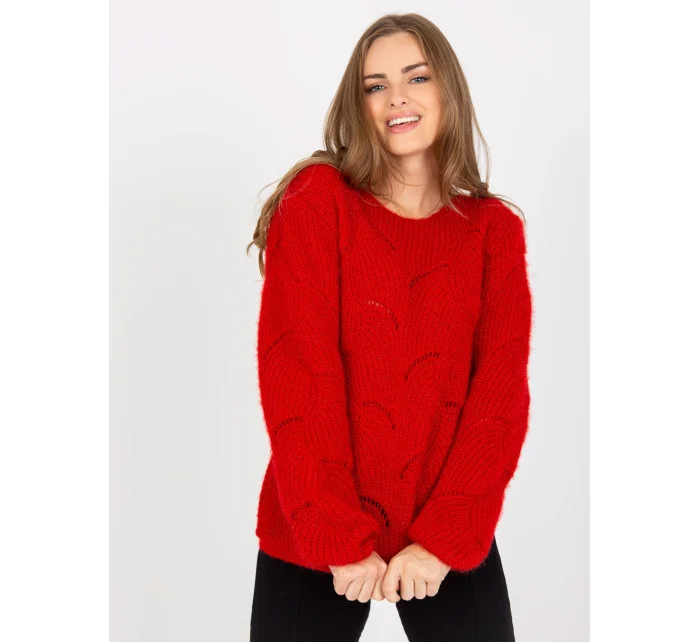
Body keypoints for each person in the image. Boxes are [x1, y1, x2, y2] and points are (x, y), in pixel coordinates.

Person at [245, 12, 532, 642]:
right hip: (313, 528)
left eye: (416, 77)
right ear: (360, 105)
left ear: (448, 90)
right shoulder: (318, 200)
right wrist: (336, 536)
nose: (396, 97)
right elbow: (298, 374)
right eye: (375, 86)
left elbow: (499, 399)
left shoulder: (493, 233)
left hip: (446, 531)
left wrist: (445, 539)